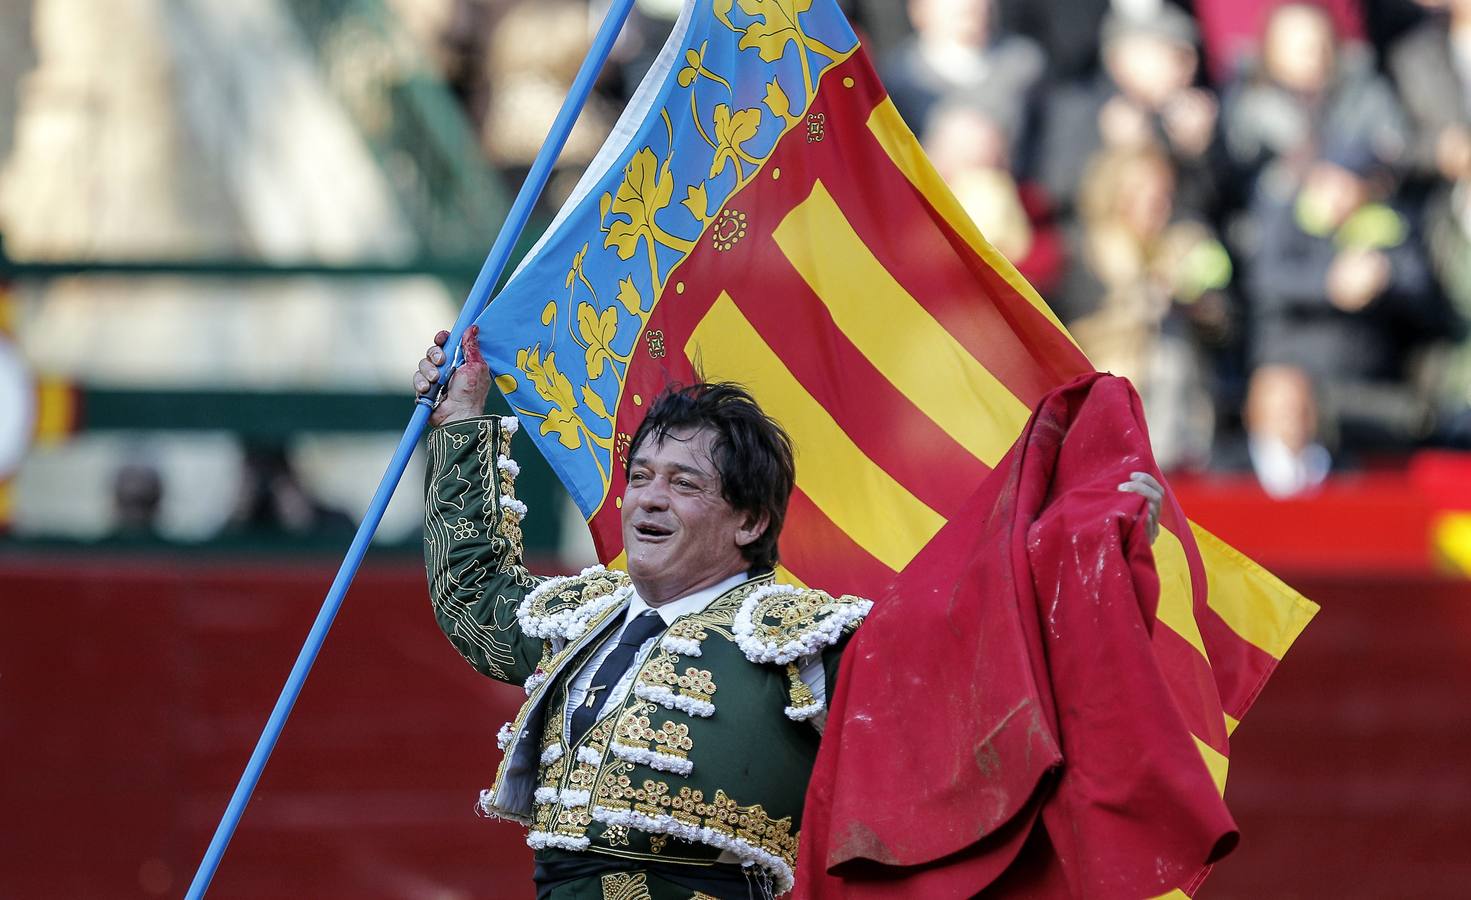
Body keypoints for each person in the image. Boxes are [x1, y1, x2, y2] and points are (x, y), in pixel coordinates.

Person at [413, 326, 1165, 899]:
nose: (646, 495)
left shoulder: (801, 636)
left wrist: (1088, 548)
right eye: (640, 476)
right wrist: (459, 420)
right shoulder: (583, 616)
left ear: (747, 520)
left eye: (682, 483)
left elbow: (974, 654)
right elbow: (475, 595)